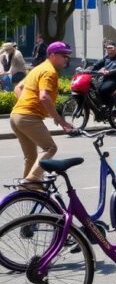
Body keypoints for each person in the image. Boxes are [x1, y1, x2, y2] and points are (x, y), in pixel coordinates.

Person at [10, 42, 76, 181]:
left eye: (68, 56)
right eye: (64, 55)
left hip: (16, 116)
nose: (67, 58)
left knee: (31, 157)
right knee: (50, 148)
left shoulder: (38, 68)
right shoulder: (49, 71)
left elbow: (18, 88)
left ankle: (29, 192)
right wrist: (60, 120)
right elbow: (44, 97)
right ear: (52, 55)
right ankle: (31, 182)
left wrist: (25, 104)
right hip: (28, 117)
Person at [91, 41, 116, 109]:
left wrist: (110, 71)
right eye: (107, 48)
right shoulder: (107, 58)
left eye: (111, 48)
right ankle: (100, 105)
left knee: (104, 89)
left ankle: (109, 108)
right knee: (95, 88)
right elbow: (97, 65)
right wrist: (87, 69)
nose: (109, 50)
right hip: (106, 78)